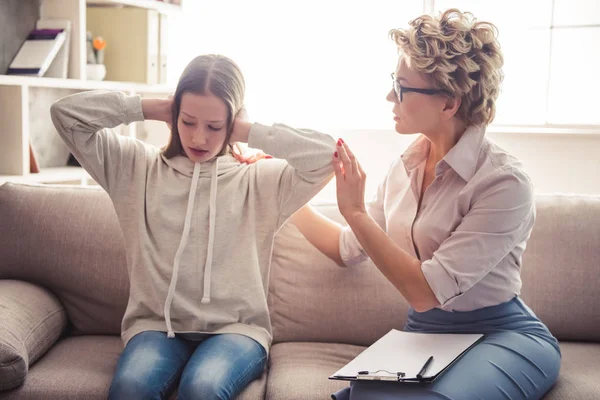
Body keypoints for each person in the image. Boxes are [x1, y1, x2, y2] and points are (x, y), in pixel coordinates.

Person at [288, 8, 561, 400]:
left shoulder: (504, 183)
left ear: (448, 103)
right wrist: (284, 195)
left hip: (502, 334)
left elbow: (425, 292)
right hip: (426, 333)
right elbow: (345, 249)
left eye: (401, 87)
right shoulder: (406, 167)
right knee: (364, 397)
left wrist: (356, 212)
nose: (388, 97)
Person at [50, 54, 337, 400]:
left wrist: (247, 131)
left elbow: (327, 155)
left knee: (202, 388)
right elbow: (66, 116)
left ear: (232, 121)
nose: (199, 137)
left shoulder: (260, 182)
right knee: (130, 389)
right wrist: (148, 107)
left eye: (215, 126)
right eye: (187, 121)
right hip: (157, 328)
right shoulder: (134, 168)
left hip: (236, 332)